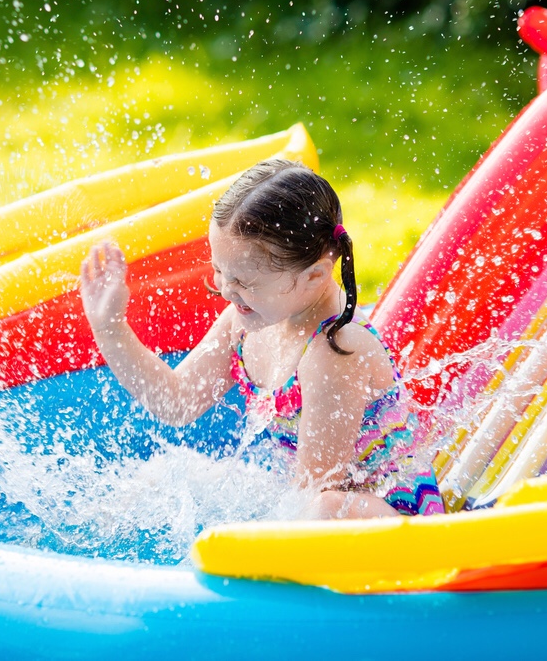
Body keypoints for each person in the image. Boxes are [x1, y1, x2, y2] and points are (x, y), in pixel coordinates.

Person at [80, 159, 443, 519]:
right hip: (312, 502)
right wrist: (110, 328)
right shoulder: (248, 318)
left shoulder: (335, 351)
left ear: (315, 277)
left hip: (392, 519)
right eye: (219, 271)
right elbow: (177, 402)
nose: (225, 290)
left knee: (324, 508)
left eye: (244, 282)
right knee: (158, 473)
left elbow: (314, 492)